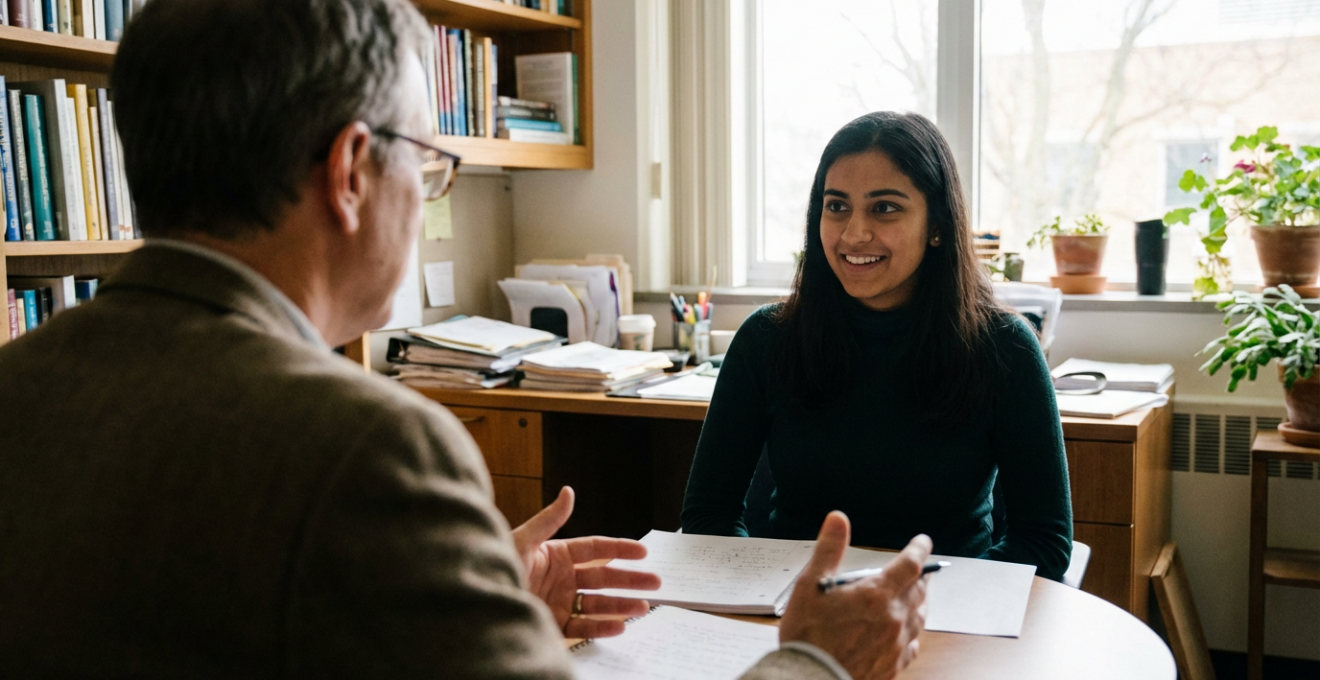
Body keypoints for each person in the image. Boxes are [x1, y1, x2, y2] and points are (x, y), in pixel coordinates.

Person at [0, 2, 932, 678]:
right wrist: (814, 664)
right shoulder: (371, 450)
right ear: (353, 171)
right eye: (431, 162)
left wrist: (474, 609)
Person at [681, 112, 1073, 581]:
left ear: (937, 226)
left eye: (884, 208)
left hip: (947, 616)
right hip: (798, 608)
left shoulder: (1005, 348)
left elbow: (1044, 543)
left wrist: (905, 595)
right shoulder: (766, 340)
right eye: (837, 206)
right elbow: (708, 518)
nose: (853, 234)